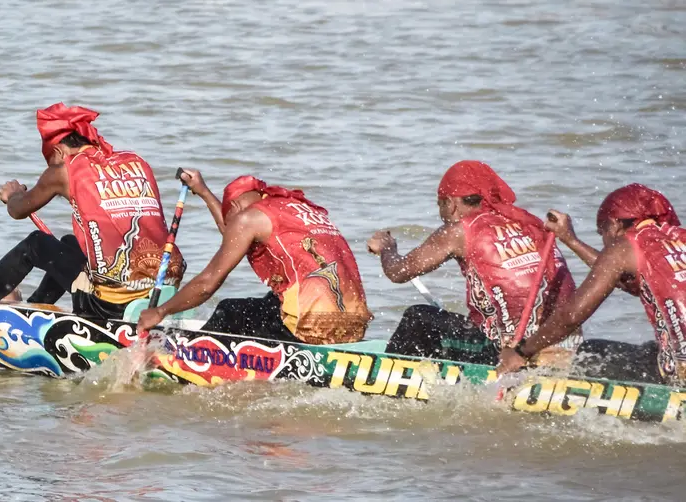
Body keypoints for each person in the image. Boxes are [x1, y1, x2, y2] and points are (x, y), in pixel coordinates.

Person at [0, 104, 185, 340]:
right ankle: (33, 307)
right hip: (164, 295)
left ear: (58, 151)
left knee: (36, 244)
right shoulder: (135, 162)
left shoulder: (65, 169)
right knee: (68, 244)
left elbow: (18, 210)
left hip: (110, 306)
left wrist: (13, 194)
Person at [366, 161, 578, 365]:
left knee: (418, 317)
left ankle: (385, 381)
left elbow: (398, 271)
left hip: (511, 352)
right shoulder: (529, 223)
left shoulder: (460, 230)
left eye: (440, 205)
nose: (441, 214)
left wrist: (387, 248)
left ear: (450, 204)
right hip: (567, 346)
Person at [137, 171, 371, 343]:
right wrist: (204, 192)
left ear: (237, 206)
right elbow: (235, 235)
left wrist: (160, 312)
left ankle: (194, 359)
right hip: (355, 324)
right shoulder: (293, 208)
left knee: (230, 311)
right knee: (272, 301)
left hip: (311, 326)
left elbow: (208, 283)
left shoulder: (248, 218)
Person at [495, 184, 684, 384]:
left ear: (615, 225)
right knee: (651, 349)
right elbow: (625, 281)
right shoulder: (678, 239)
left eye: (601, 232)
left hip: (681, 374)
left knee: (592, 352)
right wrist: (570, 240)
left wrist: (522, 351)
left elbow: (571, 315)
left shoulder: (624, 246)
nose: (604, 240)